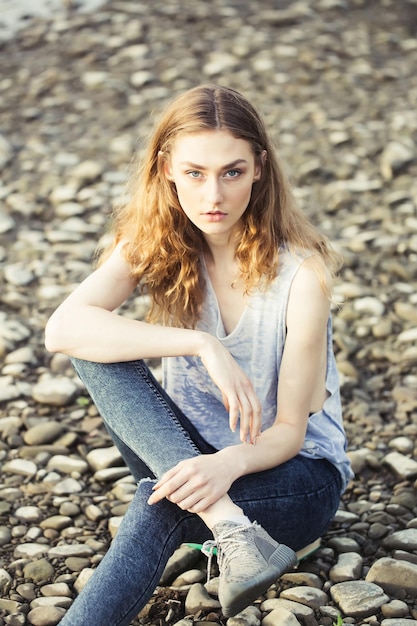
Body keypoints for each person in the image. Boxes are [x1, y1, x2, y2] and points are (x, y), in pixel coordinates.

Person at [45, 84, 353, 626]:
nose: (214, 194)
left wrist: (226, 464)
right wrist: (198, 342)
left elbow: (289, 432)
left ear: (259, 168)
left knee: (154, 506)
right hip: (190, 455)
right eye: (194, 173)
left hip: (294, 478)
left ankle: (230, 528)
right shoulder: (158, 242)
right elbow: (61, 328)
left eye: (232, 172)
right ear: (165, 168)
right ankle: (231, 530)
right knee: (91, 347)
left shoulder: (302, 277)